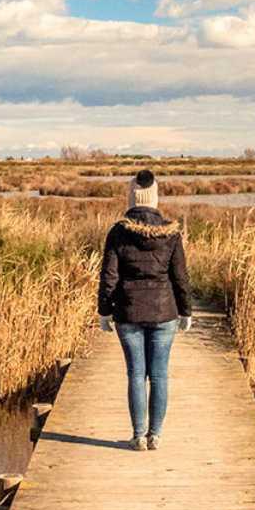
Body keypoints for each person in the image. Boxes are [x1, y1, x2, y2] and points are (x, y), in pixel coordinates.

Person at [97, 169, 193, 451]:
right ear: (155, 197)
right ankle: (156, 435)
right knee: (160, 374)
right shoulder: (171, 232)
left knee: (136, 374)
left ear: (131, 196)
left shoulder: (118, 232)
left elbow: (109, 276)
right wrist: (186, 311)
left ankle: (138, 436)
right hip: (164, 312)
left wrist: (104, 311)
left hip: (128, 312)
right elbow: (181, 277)